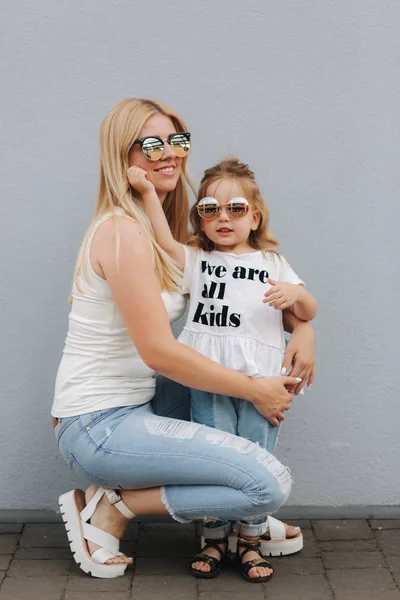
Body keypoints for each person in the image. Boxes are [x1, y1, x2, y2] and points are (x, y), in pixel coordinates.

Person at [52, 98, 316, 583]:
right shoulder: (121, 233)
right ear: (122, 154)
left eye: (176, 140)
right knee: (270, 481)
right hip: (100, 424)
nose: (167, 152)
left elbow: (242, 298)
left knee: (220, 372)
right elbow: (159, 351)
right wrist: (255, 388)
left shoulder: (162, 232)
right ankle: (113, 508)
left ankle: (241, 516)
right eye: (150, 143)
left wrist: (303, 327)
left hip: (145, 402)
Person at [128, 156, 317, 577]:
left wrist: (294, 296)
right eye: (209, 209)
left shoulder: (272, 263)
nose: (222, 218)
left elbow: (310, 307)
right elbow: (162, 238)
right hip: (210, 379)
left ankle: (250, 542)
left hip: (263, 379)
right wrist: (146, 193)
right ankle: (213, 540)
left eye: (235, 209)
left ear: (255, 216)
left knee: (255, 456)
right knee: (215, 458)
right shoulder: (197, 257)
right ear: (200, 219)